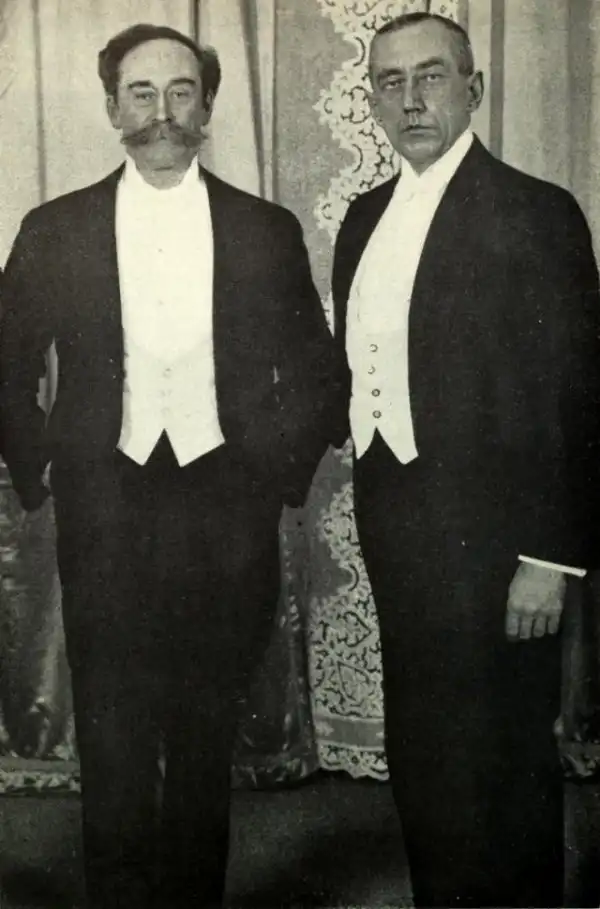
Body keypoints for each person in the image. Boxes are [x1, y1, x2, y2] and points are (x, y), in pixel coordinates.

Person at [0, 23, 338, 909]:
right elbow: (5, 361)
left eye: (181, 92)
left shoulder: (264, 230)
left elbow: (318, 372)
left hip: (226, 512)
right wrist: (39, 467)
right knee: (111, 732)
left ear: (207, 105)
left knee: (202, 734)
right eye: (142, 93)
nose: (162, 112)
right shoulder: (55, 227)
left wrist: (274, 473)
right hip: (104, 506)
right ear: (112, 107)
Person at [330, 12, 600, 909]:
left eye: (432, 76)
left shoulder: (536, 212)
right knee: (426, 757)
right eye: (391, 82)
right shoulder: (363, 219)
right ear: (373, 100)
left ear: (473, 88)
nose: (411, 99)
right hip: (399, 530)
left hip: (504, 545)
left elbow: (577, 396)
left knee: (507, 764)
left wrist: (549, 557)